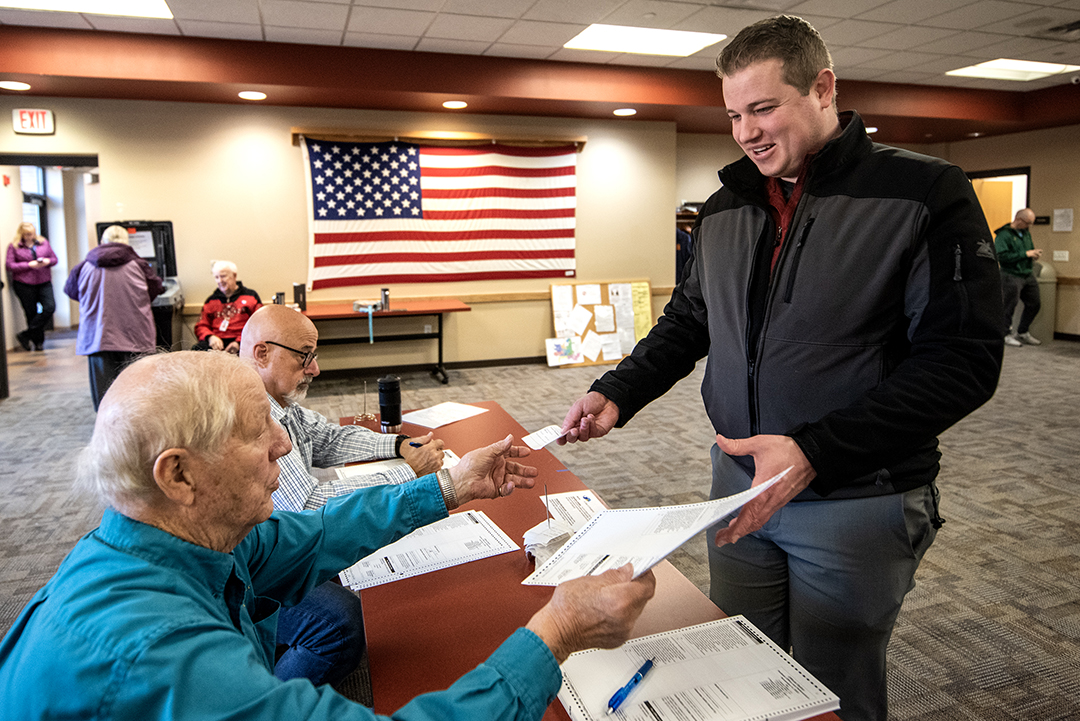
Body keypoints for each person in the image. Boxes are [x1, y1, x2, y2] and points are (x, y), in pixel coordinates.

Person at [558, 15, 1003, 721]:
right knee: (741, 669)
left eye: (764, 108)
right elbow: (690, 320)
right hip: (734, 487)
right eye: (734, 113)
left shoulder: (924, 192)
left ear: (823, 89)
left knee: (832, 689)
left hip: (854, 495)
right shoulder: (726, 205)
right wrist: (618, 389)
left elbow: (962, 363)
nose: (746, 131)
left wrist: (815, 451)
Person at [0, 351, 656, 720]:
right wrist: (559, 629)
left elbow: (315, 534)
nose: (283, 444)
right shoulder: (158, 654)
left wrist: (452, 486)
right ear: (179, 473)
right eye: (256, 431)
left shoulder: (176, 539)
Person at [239, 303, 446, 686]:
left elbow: (330, 438)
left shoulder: (278, 401)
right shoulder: (249, 413)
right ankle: (265, 701)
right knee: (341, 623)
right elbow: (306, 506)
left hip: (262, 549)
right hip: (247, 571)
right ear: (262, 353)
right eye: (305, 357)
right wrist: (408, 473)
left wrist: (399, 445)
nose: (315, 369)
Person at [64, 224, 164, 411]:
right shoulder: (140, 265)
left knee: (104, 396)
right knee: (136, 392)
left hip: (98, 336)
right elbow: (155, 289)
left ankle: (106, 432)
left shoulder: (83, 266)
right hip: (135, 335)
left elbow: (71, 290)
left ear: (102, 242)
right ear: (126, 242)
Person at [6, 221, 57, 351]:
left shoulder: (43, 243)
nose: (30, 236)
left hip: (44, 281)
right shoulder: (14, 246)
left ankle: (25, 335)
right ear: (22, 234)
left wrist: (47, 261)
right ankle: (38, 343)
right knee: (31, 313)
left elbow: (54, 259)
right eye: (27, 234)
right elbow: (10, 265)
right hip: (24, 284)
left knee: (49, 307)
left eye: (32, 234)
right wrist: (29, 265)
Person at [192, 259, 262, 353]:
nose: (220, 281)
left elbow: (259, 324)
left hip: (243, 341)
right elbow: (201, 325)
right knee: (197, 350)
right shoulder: (211, 300)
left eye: (223, 276)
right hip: (217, 341)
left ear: (234, 276)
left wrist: (239, 342)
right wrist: (210, 337)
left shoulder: (251, 296)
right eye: (216, 277)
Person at [995, 208, 1042, 347]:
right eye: (1028, 223)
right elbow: (1001, 256)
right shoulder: (1003, 235)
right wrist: (1025, 254)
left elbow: (1028, 249)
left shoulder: (1025, 233)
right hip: (1011, 275)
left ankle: (1022, 332)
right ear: (1019, 220)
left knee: (1035, 303)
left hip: (1027, 273)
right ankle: (1005, 335)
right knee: (1008, 306)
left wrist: (1033, 254)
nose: (1029, 226)